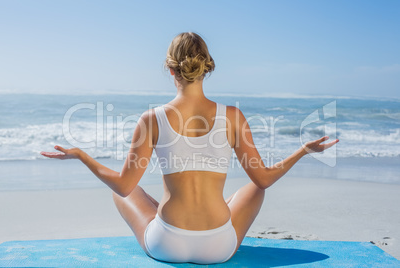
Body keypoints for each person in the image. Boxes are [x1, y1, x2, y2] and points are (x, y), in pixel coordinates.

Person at [41, 32, 339, 264]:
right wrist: (302, 151)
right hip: (218, 246)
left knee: (129, 191)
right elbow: (263, 179)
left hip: (166, 244)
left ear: (171, 69)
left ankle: (168, 216)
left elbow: (123, 186)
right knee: (254, 187)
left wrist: (81, 155)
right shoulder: (233, 117)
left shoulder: (151, 119)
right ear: (207, 67)